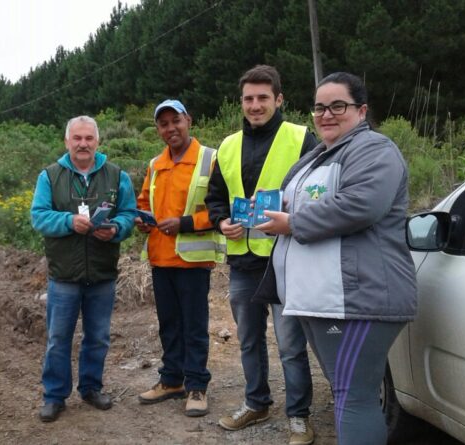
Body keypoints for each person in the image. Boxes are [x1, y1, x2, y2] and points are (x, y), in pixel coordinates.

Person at [257, 72, 416, 445]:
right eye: (319, 107)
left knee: (353, 394)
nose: (326, 114)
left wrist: (292, 223)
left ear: (361, 110)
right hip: (323, 303)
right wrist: (261, 212)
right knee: (346, 389)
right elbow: (294, 200)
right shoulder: (318, 157)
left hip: (361, 301)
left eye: (337, 106)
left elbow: (361, 205)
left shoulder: (375, 149)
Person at [205, 65, 317, 444]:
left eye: (263, 98)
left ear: (279, 99)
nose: (255, 105)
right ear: (241, 101)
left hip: (287, 258)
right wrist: (222, 223)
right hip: (244, 262)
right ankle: (257, 402)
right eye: (249, 99)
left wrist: (292, 216)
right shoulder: (227, 145)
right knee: (249, 339)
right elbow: (215, 197)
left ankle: (299, 416)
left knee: (289, 344)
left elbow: (320, 193)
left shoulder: (302, 138)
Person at [30, 115, 136, 422]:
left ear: (98, 141)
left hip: (102, 273)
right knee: (58, 337)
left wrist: (116, 228)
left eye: (88, 138)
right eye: (77, 138)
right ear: (66, 142)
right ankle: (54, 395)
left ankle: (91, 388)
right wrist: (68, 222)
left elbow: (129, 214)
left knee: (99, 337)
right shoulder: (49, 176)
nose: (83, 144)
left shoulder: (117, 176)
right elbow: (39, 217)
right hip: (64, 275)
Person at [135, 100, 226, 417]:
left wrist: (185, 223)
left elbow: (220, 210)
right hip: (160, 258)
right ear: (158, 129)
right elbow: (145, 201)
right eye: (163, 124)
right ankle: (172, 380)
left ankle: (197, 385)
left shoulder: (211, 159)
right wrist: (142, 218)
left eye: (176, 121)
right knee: (169, 326)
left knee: (194, 327)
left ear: (188, 120)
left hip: (192, 262)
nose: (170, 128)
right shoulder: (155, 164)